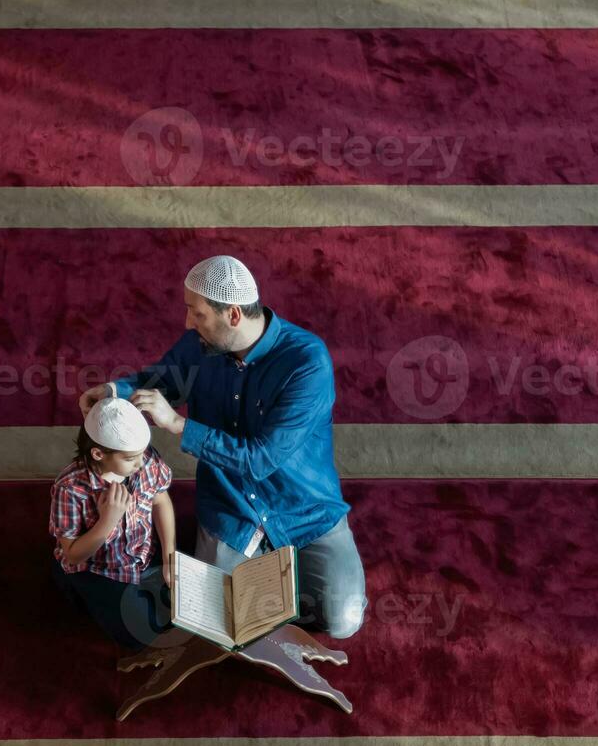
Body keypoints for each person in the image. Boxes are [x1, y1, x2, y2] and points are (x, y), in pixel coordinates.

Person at [79, 255, 367, 639]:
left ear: (233, 315)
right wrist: (114, 392)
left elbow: (261, 459)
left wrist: (179, 424)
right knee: (220, 619)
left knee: (343, 620)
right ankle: (265, 585)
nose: (187, 323)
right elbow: (160, 381)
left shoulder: (306, 362)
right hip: (231, 510)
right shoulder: (199, 345)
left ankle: (277, 582)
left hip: (305, 511)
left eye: (196, 314)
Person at [48, 397, 176, 649]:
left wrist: (170, 554)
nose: (141, 463)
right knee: (144, 638)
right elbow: (73, 555)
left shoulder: (145, 460)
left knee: (183, 610)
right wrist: (108, 520)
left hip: (142, 556)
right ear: (98, 453)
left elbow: (161, 501)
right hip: (99, 569)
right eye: (131, 459)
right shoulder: (71, 488)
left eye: (142, 453)